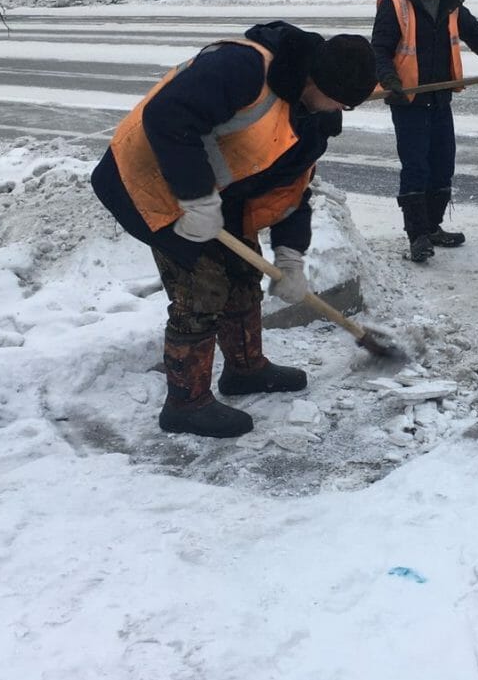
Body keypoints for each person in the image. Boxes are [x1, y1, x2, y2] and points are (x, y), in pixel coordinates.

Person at [91, 22, 377, 439]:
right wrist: (195, 197)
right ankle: (185, 403)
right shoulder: (243, 67)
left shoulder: (311, 123)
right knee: (203, 286)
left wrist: (290, 257)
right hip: (146, 178)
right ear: (313, 78)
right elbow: (166, 115)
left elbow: (290, 194)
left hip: (213, 197)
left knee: (244, 273)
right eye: (336, 100)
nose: (337, 110)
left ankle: (245, 369)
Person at [371, 0, 478, 263]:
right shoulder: (396, 5)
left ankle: (432, 227)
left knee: (443, 164)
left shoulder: (450, 2)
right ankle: (416, 236)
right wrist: (390, 80)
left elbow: (476, 33)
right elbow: (379, 49)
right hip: (408, 101)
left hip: (440, 98)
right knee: (416, 166)